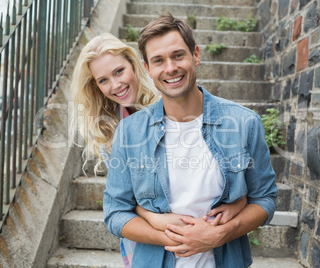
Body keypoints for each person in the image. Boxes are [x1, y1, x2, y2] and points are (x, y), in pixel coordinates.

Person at [103, 14, 278, 268]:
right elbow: (116, 213)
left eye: (178, 55)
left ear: (195, 55)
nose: (170, 68)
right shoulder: (130, 132)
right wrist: (173, 237)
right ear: (147, 69)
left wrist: (221, 234)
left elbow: (265, 199)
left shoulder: (244, 123)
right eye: (158, 61)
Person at [70, 32, 248, 267]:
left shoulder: (171, 98)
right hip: (146, 237)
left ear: (136, 65)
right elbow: (122, 201)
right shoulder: (110, 130)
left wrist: (237, 204)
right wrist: (154, 218)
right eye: (103, 80)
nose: (116, 85)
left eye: (119, 72)